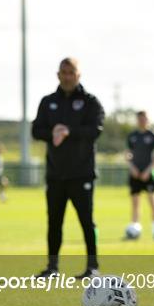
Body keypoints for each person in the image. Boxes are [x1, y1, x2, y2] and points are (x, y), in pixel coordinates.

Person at [32, 57, 105, 279]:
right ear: (58, 74)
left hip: (82, 173)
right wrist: (53, 132)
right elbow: (36, 131)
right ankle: (52, 267)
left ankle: (92, 267)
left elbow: (96, 130)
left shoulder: (90, 101)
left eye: (71, 72)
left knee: (86, 221)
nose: (67, 76)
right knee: (54, 221)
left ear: (78, 74)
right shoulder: (48, 102)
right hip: (55, 174)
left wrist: (69, 131)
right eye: (63, 72)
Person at [125, 111, 154, 241]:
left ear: (148, 119)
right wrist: (132, 168)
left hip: (149, 174)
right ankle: (134, 231)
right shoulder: (132, 136)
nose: (142, 121)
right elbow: (127, 155)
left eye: (145, 119)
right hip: (135, 173)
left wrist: (148, 170)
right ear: (137, 120)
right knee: (135, 203)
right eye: (140, 119)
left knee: (153, 202)